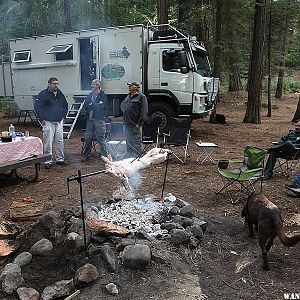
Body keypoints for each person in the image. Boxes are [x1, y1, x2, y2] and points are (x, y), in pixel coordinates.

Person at [34, 77, 69, 169]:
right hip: (48, 121)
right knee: (48, 141)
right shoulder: (43, 94)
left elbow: (65, 105)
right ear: (49, 84)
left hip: (59, 121)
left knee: (59, 141)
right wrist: (42, 118)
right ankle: (47, 161)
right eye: (54, 83)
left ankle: (60, 159)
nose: (56, 85)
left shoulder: (59, 93)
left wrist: (64, 116)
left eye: (57, 83)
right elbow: (37, 107)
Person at [81, 79, 108, 162]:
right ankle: (86, 155)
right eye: (92, 84)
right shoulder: (90, 95)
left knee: (101, 138)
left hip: (99, 119)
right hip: (90, 119)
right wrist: (95, 105)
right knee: (88, 137)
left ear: (98, 86)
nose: (92, 86)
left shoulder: (103, 95)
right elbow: (86, 105)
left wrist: (93, 105)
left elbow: (102, 107)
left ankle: (105, 157)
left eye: (93, 84)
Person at [123, 81, 148, 158]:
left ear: (135, 87)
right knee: (128, 141)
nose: (129, 87)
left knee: (136, 141)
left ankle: (138, 157)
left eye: (130, 85)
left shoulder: (141, 97)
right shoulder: (128, 96)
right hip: (127, 123)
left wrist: (139, 124)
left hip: (135, 124)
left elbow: (144, 111)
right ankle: (129, 156)